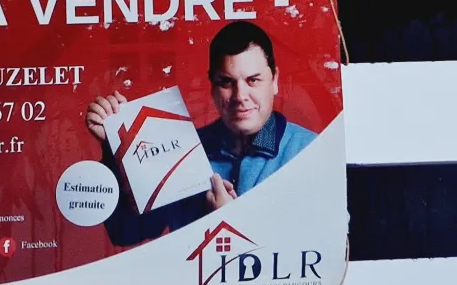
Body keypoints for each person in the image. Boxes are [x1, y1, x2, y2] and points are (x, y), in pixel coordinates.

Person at [83, 20, 318, 247]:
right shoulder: (183, 149)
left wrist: (231, 222)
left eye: (253, 80)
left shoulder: (313, 152)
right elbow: (126, 233)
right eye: (226, 82)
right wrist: (117, 150)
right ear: (212, 87)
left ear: (274, 80)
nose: (240, 96)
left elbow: (323, 250)